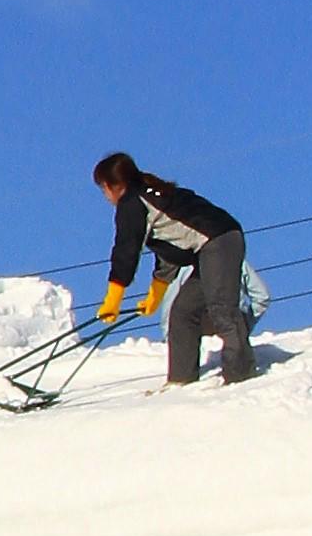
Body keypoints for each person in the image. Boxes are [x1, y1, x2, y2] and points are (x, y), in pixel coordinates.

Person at [93, 154, 255, 388]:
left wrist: (114, 297)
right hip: (209, 248)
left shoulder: (132, 203)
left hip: (219, 241)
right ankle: (180, 380)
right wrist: (155, 295)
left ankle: (241, 377)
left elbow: (126, 250)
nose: (106, 197)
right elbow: (170, 250)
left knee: (222, 309)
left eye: (103, 189)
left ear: (112, 185)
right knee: (182, 312)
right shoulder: (148, 194)